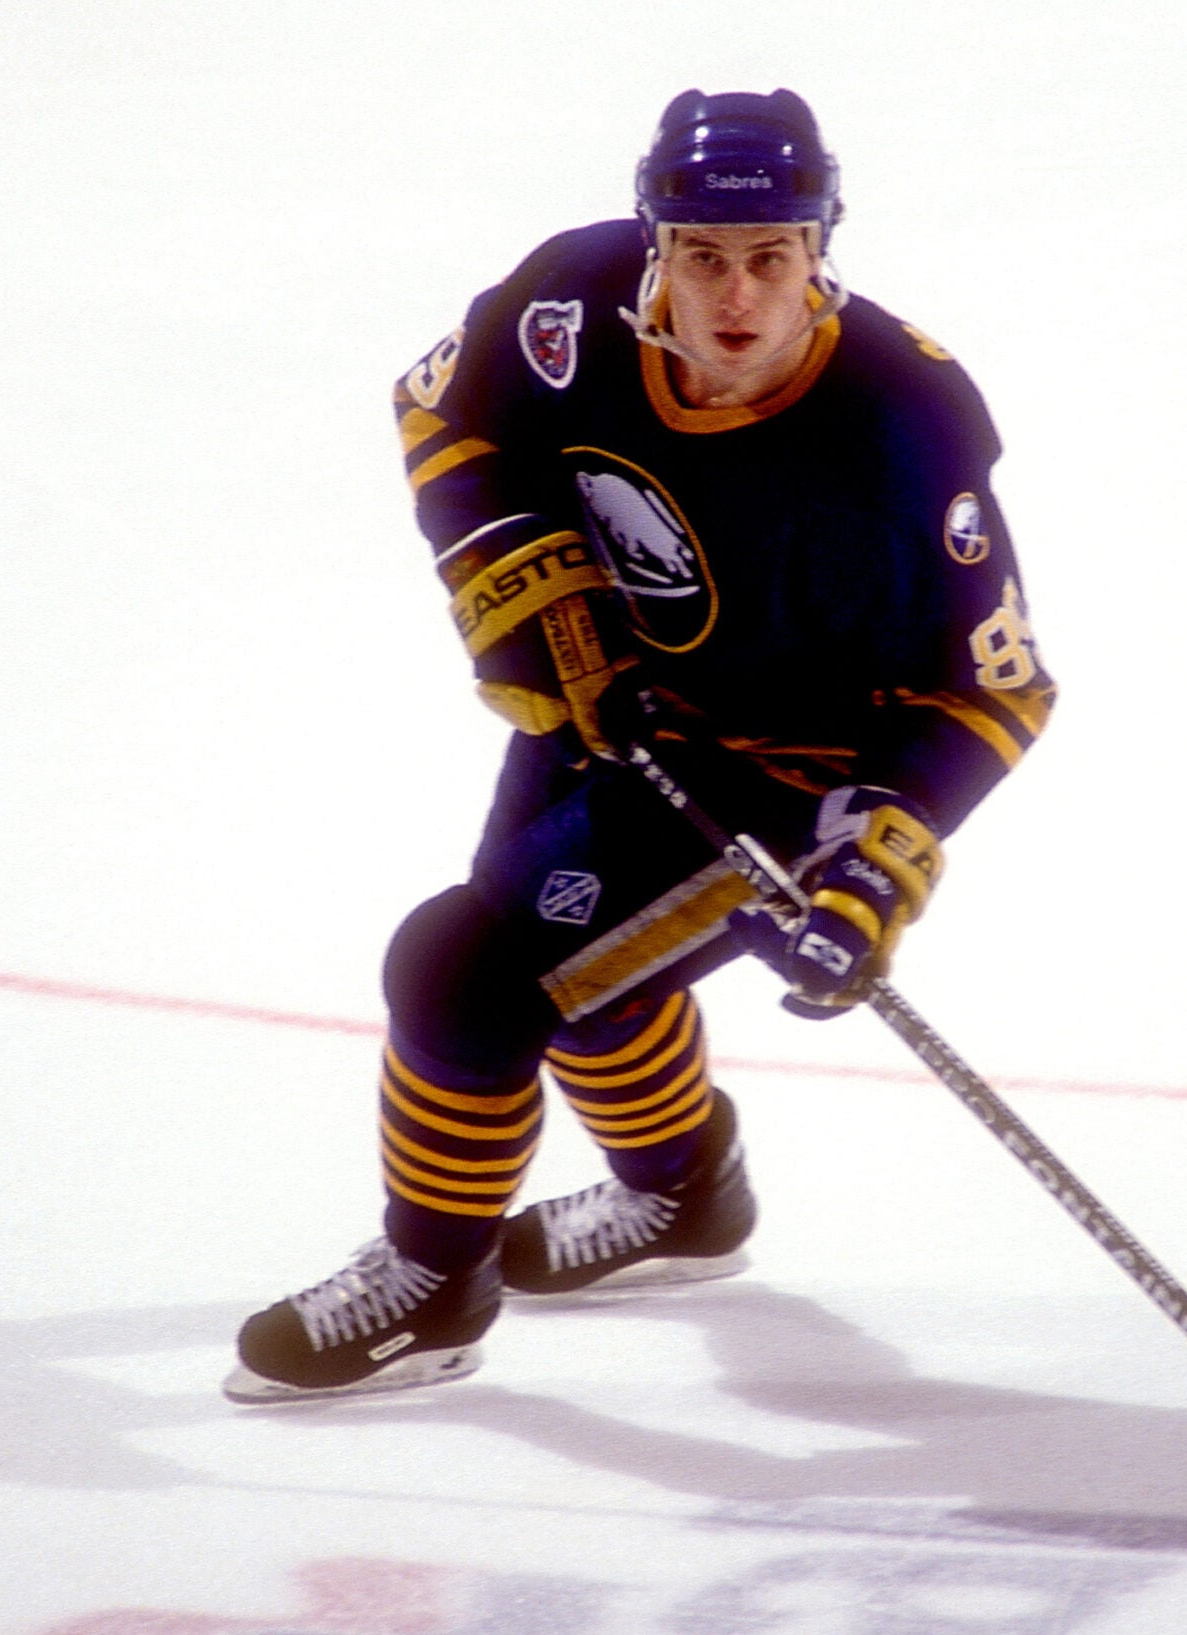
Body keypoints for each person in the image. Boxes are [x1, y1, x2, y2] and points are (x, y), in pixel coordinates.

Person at [225, 88, 1053, 1404]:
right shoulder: (568, 304)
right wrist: (529, 587)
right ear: (653, 241)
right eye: (705, 255)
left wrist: (873, 869)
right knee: (579, 972)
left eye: (772, 259)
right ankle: (686, 1203)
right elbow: (445, 416)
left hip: (788, 778)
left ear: (821, 253)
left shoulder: (903, 425)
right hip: (611, 698)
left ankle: (433, 1289)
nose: (737, 299)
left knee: (465, 974)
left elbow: (993, 687)